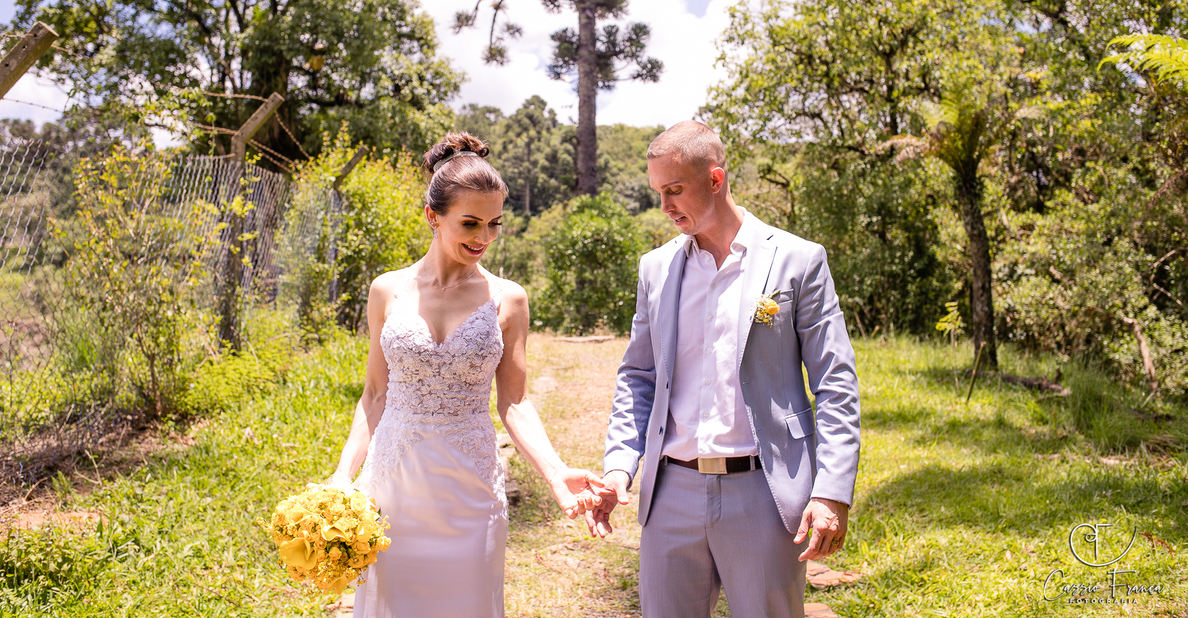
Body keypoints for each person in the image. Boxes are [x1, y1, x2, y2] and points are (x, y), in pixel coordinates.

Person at [586, 121, 862, 618]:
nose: (665, 206)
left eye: (675, 190)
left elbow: (835, 383)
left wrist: (831, 492)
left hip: (765, 493)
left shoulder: (798, 260)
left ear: (715, 179)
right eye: (658, 192)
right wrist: (619, 467)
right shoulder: (656, 268)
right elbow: (638, 377)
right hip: (670, 493)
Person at [327, 132, 604, 618]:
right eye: (470, 223)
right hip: (393, 490)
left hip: (470, 491)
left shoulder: (508, 298)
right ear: (433, 216)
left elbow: (514, 402)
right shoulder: (385, 291)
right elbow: (374, 396)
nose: (484, 238)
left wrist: (557, 473)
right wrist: (340, 477)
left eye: (495, 224)